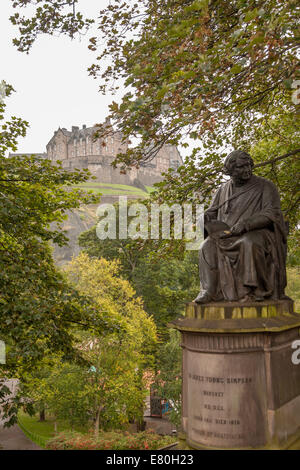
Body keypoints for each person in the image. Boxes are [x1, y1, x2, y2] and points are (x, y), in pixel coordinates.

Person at [194, 150, 288, 303]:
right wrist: (203, 219)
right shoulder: (222, 190)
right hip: (228, 234)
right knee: (207, 246)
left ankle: (253, 291)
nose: (247, 170)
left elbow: (272, 213)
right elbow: (211, 212)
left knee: (248, 243)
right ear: (230, 170)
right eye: (241, 167)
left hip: (258, 233)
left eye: (249, 166)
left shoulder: (266, 186)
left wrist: (246, 224)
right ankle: (209, 291)